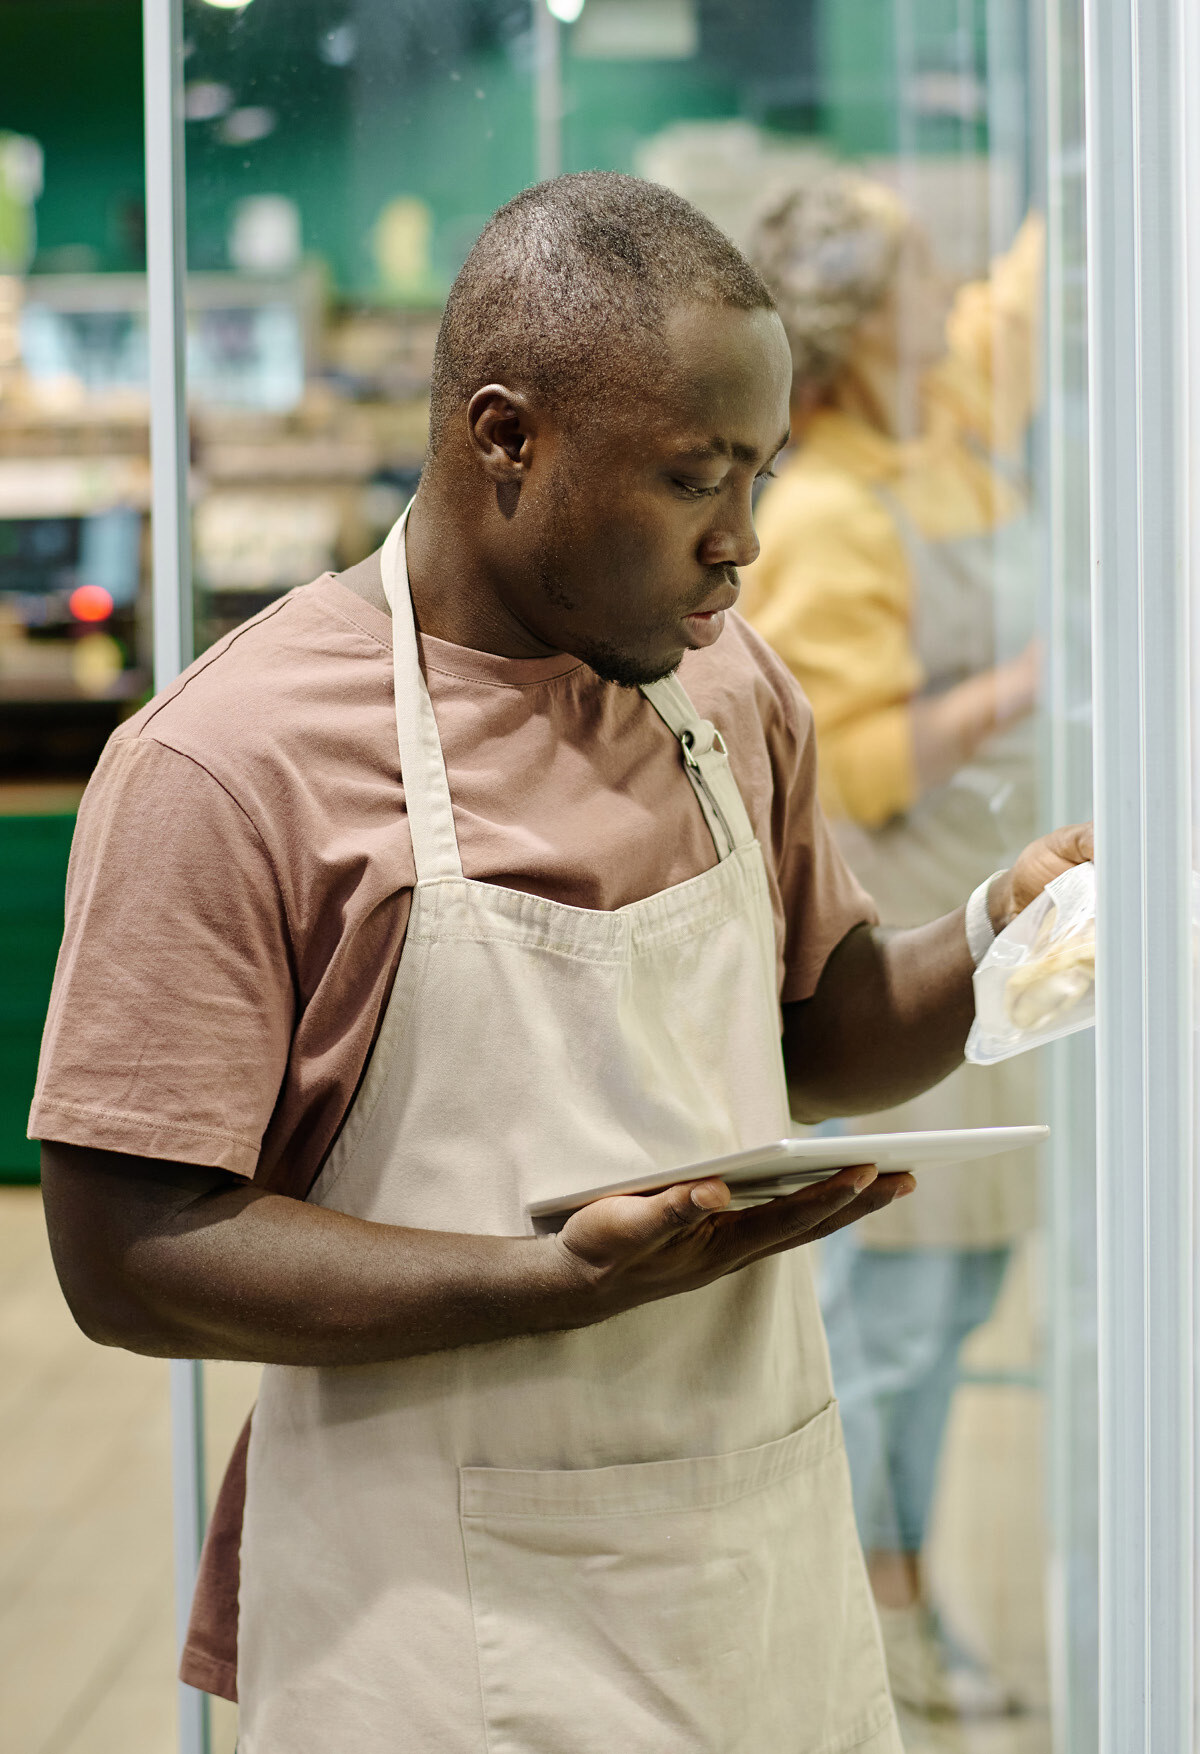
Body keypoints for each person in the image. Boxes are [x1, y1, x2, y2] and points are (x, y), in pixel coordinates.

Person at [33, 173, 1089, 1754]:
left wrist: (1006, 927)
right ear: (504, 437)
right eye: (694, 476)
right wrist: (546, 1284)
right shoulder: (228, 766)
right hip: (437, 1638)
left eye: (762, 472)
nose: (742, 541)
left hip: (759, 1585)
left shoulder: (726, 692)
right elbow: (125, 1254)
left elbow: (832, 1028)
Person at [743, 171, 1046, 1718]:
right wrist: (1041, 681)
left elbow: (1025, 314)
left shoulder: (937, 445)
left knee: (958, 1293)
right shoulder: (830, 511)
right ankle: (879, 1609)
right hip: (918, 965)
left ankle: (901, 1582)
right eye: (932, 275)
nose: (961, 302)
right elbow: (845, 770)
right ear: (865, 330)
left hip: (1000, 965)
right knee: (902, 1327)